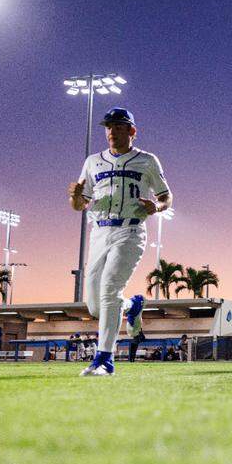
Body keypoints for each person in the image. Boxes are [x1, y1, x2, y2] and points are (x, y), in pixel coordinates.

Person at [68, 108, 172, 376]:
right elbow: (80, 205)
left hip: (130, 231)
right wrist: (75, 197)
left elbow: (166, 197)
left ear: (132, 131)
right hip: (99, 232)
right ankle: (132, 306)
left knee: (109, 289)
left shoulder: (147, 161)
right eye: (109, 127)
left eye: (119, 127)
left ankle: (105, 359)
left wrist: (157, 207)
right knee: (94, 306)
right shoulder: (93, 161)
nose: (112, 132)